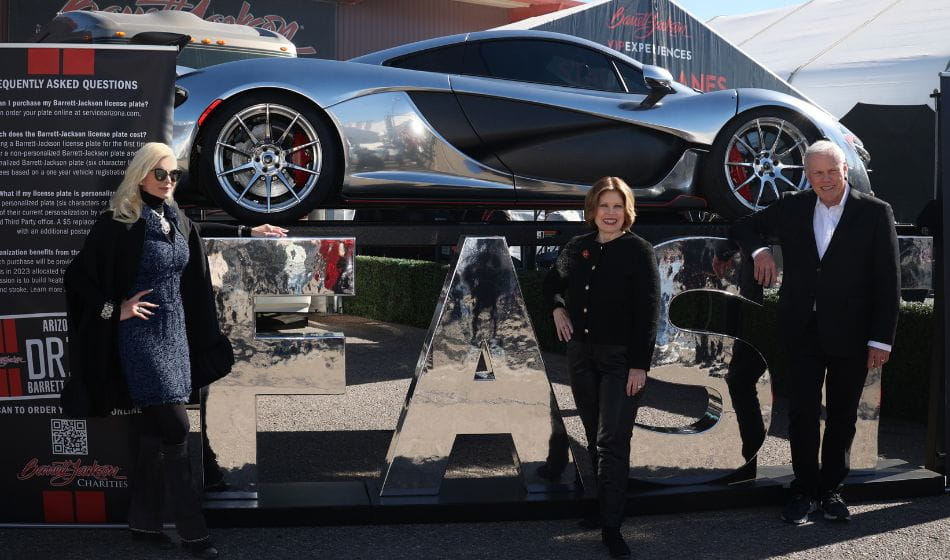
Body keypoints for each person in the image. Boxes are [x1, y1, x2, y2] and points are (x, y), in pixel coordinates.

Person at [63, 142, 287, 558]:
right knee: (178, 429)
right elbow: (77, 278)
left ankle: (143, 523)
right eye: (161, 174)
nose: (168, 182)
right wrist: (116, 310)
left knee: (154, 433)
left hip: (176, 337)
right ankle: (193, 532)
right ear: (141, 176)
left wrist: (249, 231)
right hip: (140, 340)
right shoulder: (119, 222)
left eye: (174, 175)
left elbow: (201, 239)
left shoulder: (175, 219)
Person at [730, 140, 900, 524]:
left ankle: (832, 490)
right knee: (802, 414)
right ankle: (805, 488)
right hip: (801, 331)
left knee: (842, 416)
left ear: (845, 170)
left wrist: (881, 339)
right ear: (807, 175)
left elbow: (889, 281)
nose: (825, 179)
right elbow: (743, 226)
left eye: (831, 171)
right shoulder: (792, 206)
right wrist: (760, 251)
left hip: (853, 335)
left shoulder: (874, 213)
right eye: (816, 172)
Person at [543, 176, 660, 558]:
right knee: (594, 436)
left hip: (620, 362)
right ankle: (602, 508)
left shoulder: (639, 251)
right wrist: (558, 307)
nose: (610, 213)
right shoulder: (577, 248)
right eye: (604, 205)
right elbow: (550, 284)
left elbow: (648, 313)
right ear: (591, 209)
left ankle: (613, 526)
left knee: (613, 441)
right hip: (581, 357)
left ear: (627, 211)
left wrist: (639, 366)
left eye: (617, 206)